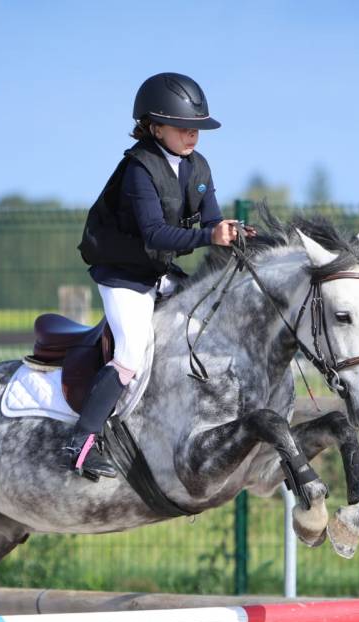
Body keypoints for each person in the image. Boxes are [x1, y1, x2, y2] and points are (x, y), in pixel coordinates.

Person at [66, 72, 244, 479]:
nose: (193, 136)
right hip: (122, 274)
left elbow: (212, 221)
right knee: (131, 352)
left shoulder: (197, 167)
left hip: (157, 270)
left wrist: (231, 234)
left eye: (197, 128)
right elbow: (154, 234)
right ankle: (81, 440)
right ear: (154, 126)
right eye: (184, 128)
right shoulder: (138, 169)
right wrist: (207, 235)